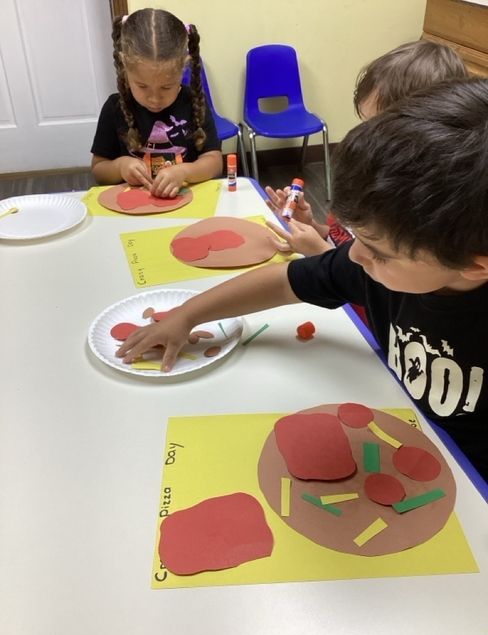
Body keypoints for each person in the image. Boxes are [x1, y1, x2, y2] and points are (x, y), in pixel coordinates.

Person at [117, 77, 488, 479]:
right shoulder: (381, 266)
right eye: (359, 238)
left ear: (475, 264)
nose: (356, 254)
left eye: (380, 252)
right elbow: (284, 281)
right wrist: (187, 316)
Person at [265, 39, 468, 256]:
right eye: (365, 123)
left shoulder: (417, 203)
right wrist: (311, 227)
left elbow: (375, 280)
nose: (368, 138)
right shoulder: (370, 172)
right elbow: (344, 239)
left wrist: (319, 252)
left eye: (382, 129)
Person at [90, 8, 223, 197]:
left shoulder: (193, 103)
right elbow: (99, 170)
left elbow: (215, 161)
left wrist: (184, 172)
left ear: (182, 70)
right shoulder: (114, 108)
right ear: (125, 67)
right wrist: (121, 166)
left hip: (187, 204)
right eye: (142, 86)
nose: (154, 99)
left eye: (166, 87)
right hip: (132, 208)